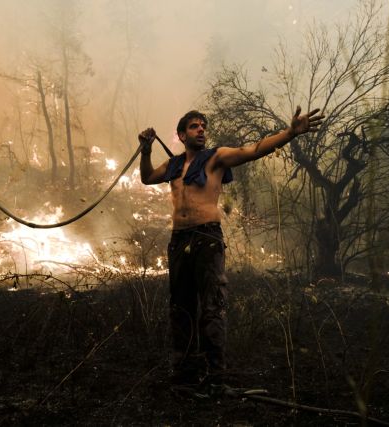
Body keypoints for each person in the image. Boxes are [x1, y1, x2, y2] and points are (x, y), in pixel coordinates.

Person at [138, 107, 323, 394]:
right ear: (181, 134)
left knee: (212, 308)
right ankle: (185, 377)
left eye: (203, 126)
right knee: (181, 308)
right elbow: (147, 177)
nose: (201, 130)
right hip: (179, 241)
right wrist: (146, 150)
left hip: (206, 238)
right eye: (194, 126)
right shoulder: (174, 166)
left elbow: (253, 150)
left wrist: (290, 132)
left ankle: (215, 378)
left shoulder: (215, 157)